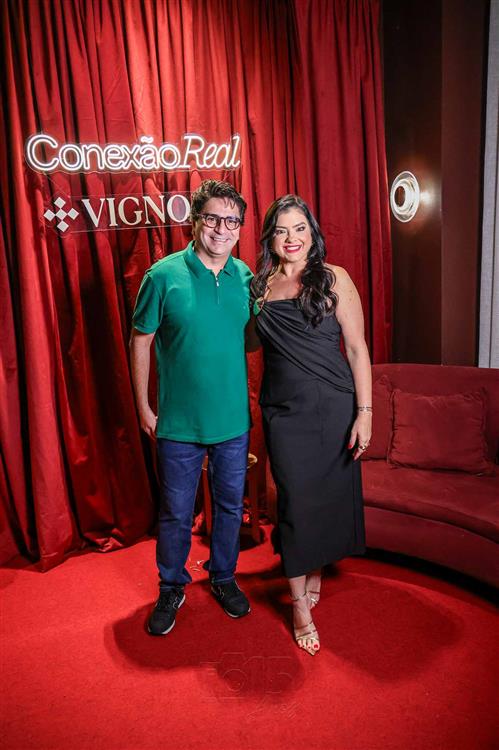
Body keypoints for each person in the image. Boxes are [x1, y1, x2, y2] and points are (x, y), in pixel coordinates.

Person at [130, 179, 253, 636]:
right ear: (195, 221)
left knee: (229, 507)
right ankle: (171, 586)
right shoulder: (162, 276)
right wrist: (144, 407)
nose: (222, 229)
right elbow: (140, 341)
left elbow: (253, 339)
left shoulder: (245, 277)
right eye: (213, 218)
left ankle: (223, 576)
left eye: (232, 221)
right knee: (176, 512)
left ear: (240, 227)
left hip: (233, 421)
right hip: (178, 424)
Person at [250, 195, 372, 656]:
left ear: (312, 234)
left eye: (300, 228)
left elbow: (357, 349)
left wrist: (365, 413)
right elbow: (247, 343)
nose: (292, 238)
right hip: (283, 412)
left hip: (333, 405)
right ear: (270, 238)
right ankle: (299, 606)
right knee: (296, 502)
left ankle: (313, 570)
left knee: (323, 498)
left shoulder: (334, 277)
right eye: (282, 230)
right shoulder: (259, 287)